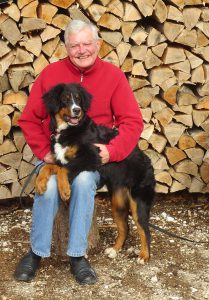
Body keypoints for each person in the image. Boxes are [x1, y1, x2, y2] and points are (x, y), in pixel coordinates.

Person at [15, 19, 144, 285]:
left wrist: (112, 151)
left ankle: (77, 255)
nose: (82, 50)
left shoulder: (114, 76)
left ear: (98, 44)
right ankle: (36, 252)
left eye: (87, 44)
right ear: (66, 47)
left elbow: (132, 121)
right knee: (48, 185)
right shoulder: (51, 75)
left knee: (84, 182)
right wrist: (44, 153)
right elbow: (28, 119)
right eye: (75, 45)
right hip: (57, 154)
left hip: (91, 158)